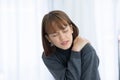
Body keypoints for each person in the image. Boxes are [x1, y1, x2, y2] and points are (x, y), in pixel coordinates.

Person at [41, 10, 100, 80]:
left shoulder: (87, 50)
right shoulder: (49, 56)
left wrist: (75, 52)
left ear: (71, 29)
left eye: (65, 31)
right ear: (48, 38)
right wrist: (75, 51)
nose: (62, 38)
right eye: (55, 35)